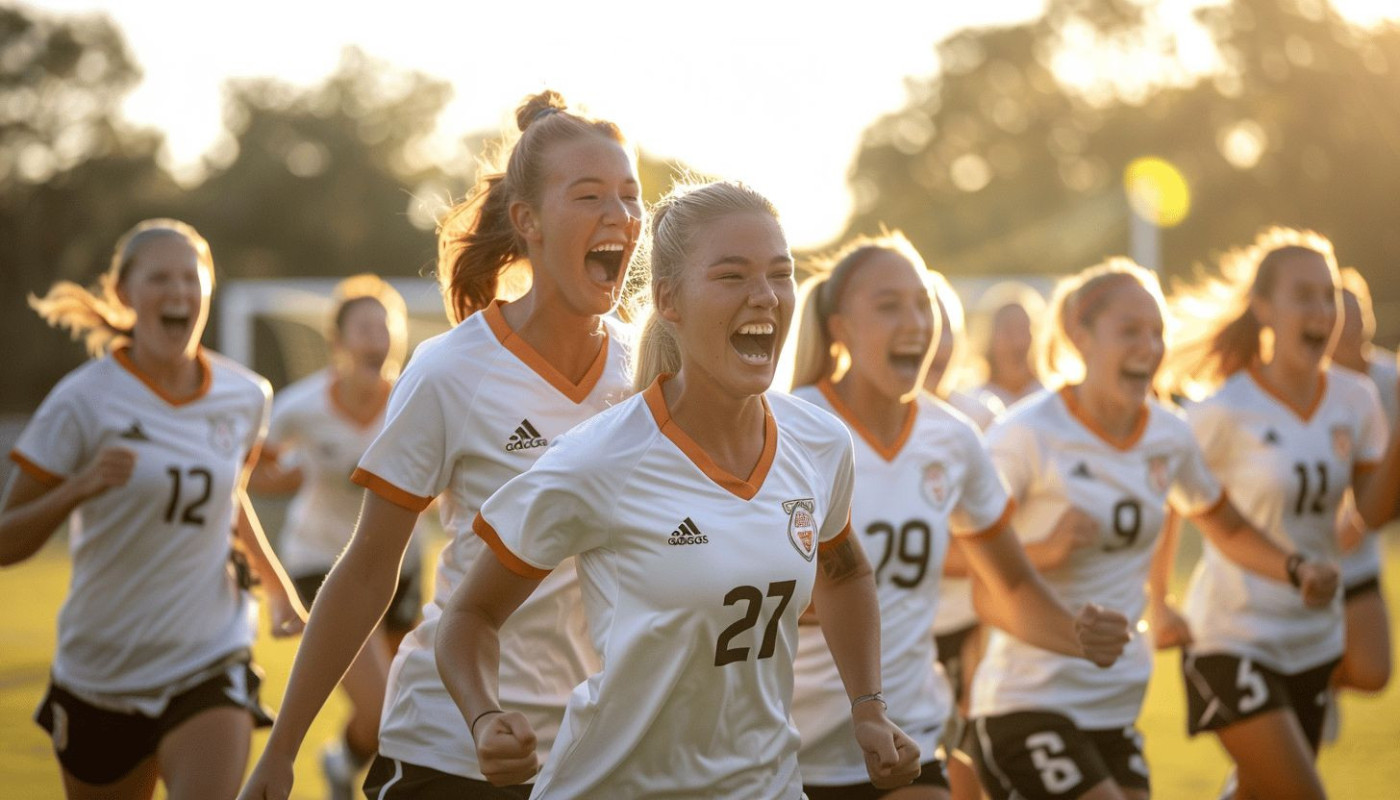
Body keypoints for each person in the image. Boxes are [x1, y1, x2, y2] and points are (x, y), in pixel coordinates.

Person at [434, 181, 927, 798]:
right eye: (732, 276)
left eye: (780, 274)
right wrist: (483, 716)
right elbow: (470, 616)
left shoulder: (820, 443)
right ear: (669, 299)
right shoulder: (599, 460)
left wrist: (868, 707)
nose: (765, 296)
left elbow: (845, 573)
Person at [237, 90, 644, 800]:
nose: (620, 215)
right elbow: (368, 571)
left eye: (631, 196)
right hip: (451, 747)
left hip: (595, 755)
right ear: (528, 221)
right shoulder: (450, 370)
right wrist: (282, 750)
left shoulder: (647, 370)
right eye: (589, 196)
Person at [968, 258, 1340, 800]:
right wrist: (1051, 562)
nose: (1149, 347)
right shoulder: (1025, 435)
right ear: (1080, 336)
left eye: (1157, 332)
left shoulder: (1169, 435)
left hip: (1115, 710)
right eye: (1129, 331)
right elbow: (982, 583)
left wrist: (1295, 567)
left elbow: (1227, 528)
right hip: (1025, 706)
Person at [785, 234, 1132, 800]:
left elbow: (1009, 585)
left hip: (907, 739)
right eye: (889, 306)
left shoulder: (954, 438)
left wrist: (1076, 634)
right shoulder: (788, 426)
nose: (915, 324)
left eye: (923, 305)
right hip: (790, 748)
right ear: (840, 327)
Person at [1, 219, 306, 800]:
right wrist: (78, 488)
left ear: (208, 289)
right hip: (101, 669)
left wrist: (276, 588)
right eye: (160, 278)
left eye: (191, 279)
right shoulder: (83, 399)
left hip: (209, 655)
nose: (178, 293)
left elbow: (228, 499)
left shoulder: (246, 396)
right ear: (124, 292)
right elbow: (5, 542)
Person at [1157, 229, 1400, 800]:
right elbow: (1169, 496)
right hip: (1232, 638)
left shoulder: (1356, 399)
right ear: (1263, 309)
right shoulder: (1225, 409)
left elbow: (1370, 512)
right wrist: (1158, 598)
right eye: (1304, 295)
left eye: (1328, 295)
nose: (1322, 311)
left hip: (1313, 639)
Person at [246, 274, 423, 798]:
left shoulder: (415, 400)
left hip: (403, 566)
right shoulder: (302, 407)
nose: (377, 338)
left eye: (386, 327)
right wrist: (292, 477)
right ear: (338, 342)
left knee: (394, 713)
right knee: (384, 709)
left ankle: (342, 761)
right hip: (322, 563)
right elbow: (248, 471)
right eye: (364, 328)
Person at [1327, 267, 1395, 696]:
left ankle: (1320, 684)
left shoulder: (1390, 380)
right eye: (1342, 319)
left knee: (1373, 672)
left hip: (1361, 546)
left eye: (1359, 318)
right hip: (1306, 550)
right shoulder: (1310, 388)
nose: (1352, 330)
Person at [969, 281, 1047, 409]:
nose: (1017, 343)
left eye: (1023, 330)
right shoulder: (972, 405)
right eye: (1008, 331)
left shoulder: (1057, 402)